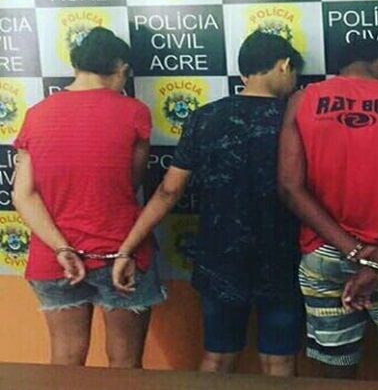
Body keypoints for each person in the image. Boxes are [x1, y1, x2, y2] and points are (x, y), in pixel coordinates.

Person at [112, 31, 304, 376]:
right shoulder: (296, 119)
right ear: (284, 65)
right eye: (294, 74)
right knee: (280, 361)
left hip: (219, 258)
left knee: (217, 357)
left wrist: (127, 248)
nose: (294, 84)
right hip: (283, 256)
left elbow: (168, 192)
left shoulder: (204, 117)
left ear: (244, 73)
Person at [278, 39, 378, 384]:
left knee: (336, 362)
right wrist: (376, 262)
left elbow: (290, 188)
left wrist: (351, 250)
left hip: (324, 252)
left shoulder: (303, 100)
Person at [12, 27, 164, 368]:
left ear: (76, 66)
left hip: (54, 257)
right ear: (121, 67)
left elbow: (23, 195)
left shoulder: (36, 113)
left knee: (65, 359)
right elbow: (131, 182)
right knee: (125, 364)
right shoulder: (134, 112)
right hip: (121, 251)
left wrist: (61, 248)